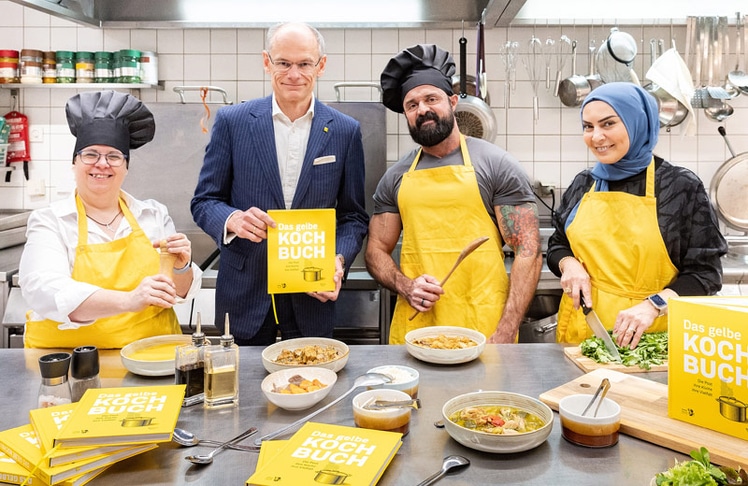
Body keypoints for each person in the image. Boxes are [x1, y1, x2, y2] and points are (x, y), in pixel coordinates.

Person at [191, 22, 368, 345]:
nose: (294, 74)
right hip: (245, 294)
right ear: (266, 62)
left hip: (311, 296)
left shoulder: (344, 131)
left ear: (321, 65)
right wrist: (233, 220)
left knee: (309, 386)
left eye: (304, 64)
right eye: (283, 63)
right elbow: (205, 201)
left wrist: (338, 260)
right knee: (242, 390)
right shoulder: (234, 122)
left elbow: (353, 217)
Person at [367, 44, 542, 344]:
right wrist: (405, 285)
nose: (422, 109)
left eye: (431, 99)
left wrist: (506, 329)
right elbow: (376, 250)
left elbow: (529, 252)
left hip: (484, 324)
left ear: (452, 101)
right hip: (418, 325)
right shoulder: (395, 176)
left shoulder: (496, 164)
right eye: (412, 105)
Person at [547, 82, 727, 349]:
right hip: (580, 336)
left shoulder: (680, 187)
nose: (596, 137)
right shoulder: (584, 183)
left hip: (651, 341)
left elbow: (706, 274)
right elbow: (557, 244)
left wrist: (653, 305)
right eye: (588, 126)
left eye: (608, 124)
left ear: (637, 122)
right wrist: (568, 264)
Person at [19, 90, 202, 349]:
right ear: (74, 163)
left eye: (114, 156)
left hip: (150, 357)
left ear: (126, 167)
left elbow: (177, 292)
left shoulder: (153, 215)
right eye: (91, 154)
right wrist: (129, 300)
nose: (102, 164)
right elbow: (45, 290)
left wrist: (183, 267)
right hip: (70, 362)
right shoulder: (50, 221)